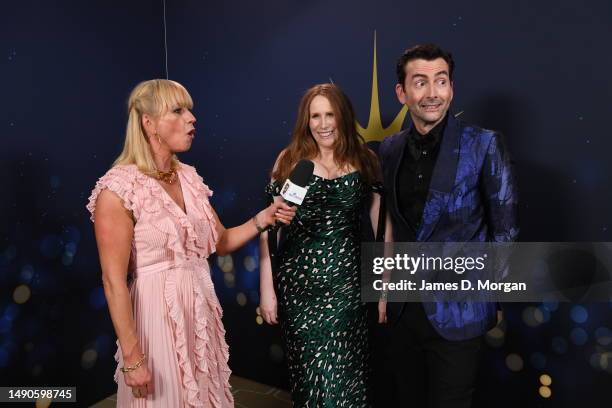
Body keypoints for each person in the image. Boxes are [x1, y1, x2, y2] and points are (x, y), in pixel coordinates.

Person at [87, 79, 295, 407]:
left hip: (200, 316)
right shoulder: (117, 190)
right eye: (178, 110)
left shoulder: (189, 177)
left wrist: (264, 218)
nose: (192, 119)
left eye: (191, 111)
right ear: (148, 122)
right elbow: (113, 281)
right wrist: (133, 357)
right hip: (156, 321)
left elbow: (222, 241)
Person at [375, 44, 518, 407]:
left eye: (441, 81)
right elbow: (389, 225)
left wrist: (490, 297)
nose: (432, 93)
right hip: (404, 311)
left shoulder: (483, 144)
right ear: (402, 92)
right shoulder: (389, 149)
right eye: (420, 83)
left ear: (451, 88)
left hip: (460, 310)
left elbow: (505, 231)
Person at [258, 83, 383, 407]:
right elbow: (270, 231)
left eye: (330, 114)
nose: (323, 124)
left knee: (346, 376)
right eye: (315, 116)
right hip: (299, 287)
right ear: (306, 120)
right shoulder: (289, 161)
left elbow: (383, 229)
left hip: (349, 287)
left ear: (343, 116)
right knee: (310, 377)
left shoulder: (365, 160)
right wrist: (267, 291)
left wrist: (385, 288)